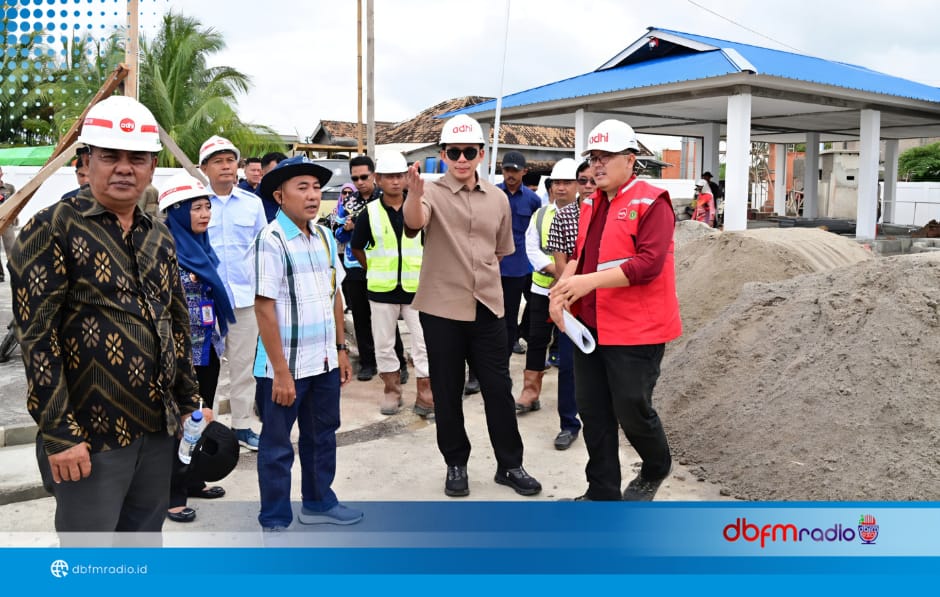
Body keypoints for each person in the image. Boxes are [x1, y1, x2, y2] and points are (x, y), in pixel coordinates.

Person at [9, 96, 207, 541]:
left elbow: (175, 322)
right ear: (87, 162)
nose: (124, 168)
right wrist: (60, 433)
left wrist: (190, 402)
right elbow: (36, 338)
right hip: (91, 437)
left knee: (142, 542)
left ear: (152, 167)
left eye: (136, 158)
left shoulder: (157, 231)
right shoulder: (51, 227)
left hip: (156, 429)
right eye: (109, 157)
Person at [403, 114, 541, 498]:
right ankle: (456, 464)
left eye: (469, 152)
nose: (461, 159)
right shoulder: (429, 193)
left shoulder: (498, 199)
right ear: (443, 155)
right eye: (453, 152)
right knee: (447, 391)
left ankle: (510, 465)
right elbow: (415, 224)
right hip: (442, 309)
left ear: (481, 155)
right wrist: (414, 194)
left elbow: (499, 250)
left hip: (487, 308)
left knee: (498, 388)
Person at [550, 119, 681, 501]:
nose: (598, 165)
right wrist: (561, 295)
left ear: (630, 158)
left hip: (638, 331)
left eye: (606, 157)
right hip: (593, 327)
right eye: (593, 158)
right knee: (594, 413)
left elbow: (648, 265)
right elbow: (581, 257)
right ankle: (601, 491)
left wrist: (587, 283)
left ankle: (656, 465)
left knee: (631, 408)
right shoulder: (590, 204)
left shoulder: (652, 202)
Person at [253, 155, 361, 530]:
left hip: (324, 361)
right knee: (277, 448)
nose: (313, 196)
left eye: (316, 188)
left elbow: (335, 296)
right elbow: (264, 308)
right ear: (280, 196)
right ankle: (275, 521)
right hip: (286, 367)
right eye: (303, 188)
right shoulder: (272, 239)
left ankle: (318, 502)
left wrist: (341, 350)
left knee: (322, 435)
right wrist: (280, 372)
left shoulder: (326, 237)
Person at [159, 173, 238, 523]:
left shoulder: (202, 250)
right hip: (178, 358)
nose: (205, 214)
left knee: (200, 420)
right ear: (176, 212)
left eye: (207, 207)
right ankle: (171, 494)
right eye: (196, 208)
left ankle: (192, 479)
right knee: (178, 425)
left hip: (205, 350)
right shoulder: (165, 252)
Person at [349, 152, 433, 418]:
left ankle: (425, 393)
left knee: (423, 343)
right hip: (381, 290)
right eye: (389, 177)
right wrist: (374, 269)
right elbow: (357, 247)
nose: (395, 182)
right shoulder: (369, 213)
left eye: (400, 176)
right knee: (384, 344)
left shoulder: (420, 207)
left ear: (407, 179)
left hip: (416, 290)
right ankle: (391, 391)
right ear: (379, 180)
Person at [200, 135, 267, 451]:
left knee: (243, 368)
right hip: (203, 302)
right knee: (203, 369)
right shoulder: (195, 204)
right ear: (205, 168)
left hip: (243, 300)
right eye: (218, 161)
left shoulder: (252, 205)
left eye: (230, 160)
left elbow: (263, 250)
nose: (226, 166)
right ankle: (202, 430)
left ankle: (242, 427)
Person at [520, 158, 583, 448]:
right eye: (556, 182)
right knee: (536, 341)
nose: (560, 187)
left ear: (577, 185)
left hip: (574, 297)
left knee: (569, 358)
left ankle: (571, 419)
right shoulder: (542, 214)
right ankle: (530, 392)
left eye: (566, 182)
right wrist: (553, 270)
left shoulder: (586, 214)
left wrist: (567, 281)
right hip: (542, 290)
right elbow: (531, 246)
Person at [339, 155, 407, 383]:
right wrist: (348, 229)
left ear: (374, 176)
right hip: (355, 266)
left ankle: (400, 364)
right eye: (355, 178)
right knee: (361, 317)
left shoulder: (386, 198)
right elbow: (336, 231)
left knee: (388, 322)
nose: (359, 182)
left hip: (386, 271)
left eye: (364, 177)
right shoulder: (348, 203)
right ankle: (369, 362)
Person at [545, 160, 592, 450]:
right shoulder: (564, 217)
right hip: (573, 302)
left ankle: (603, 421)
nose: (588, 186)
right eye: (582, 181)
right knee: (569, 368)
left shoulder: (612, 215)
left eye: (591, 181)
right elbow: (561, 264)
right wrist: (570, 295)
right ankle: (568, 424)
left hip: (608, 304)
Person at [497, 151, 541, 359]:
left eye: (515, 170)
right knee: (488, 315)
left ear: (524, 172)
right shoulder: (492, 195)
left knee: (510, 314)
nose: (510, 174)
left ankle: (505, 356)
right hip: (492, 265)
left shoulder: (533, 200)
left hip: (518, 267)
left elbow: (535, 233)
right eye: (507, 170)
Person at [258, 152, 289, 222]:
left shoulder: (293, 199)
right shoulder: (253, 203)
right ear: (261, 172)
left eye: (283, 173)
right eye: (274, 173)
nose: (279, 177)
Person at [0, 165, 16, 282]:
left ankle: (15, 272)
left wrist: (15, 217)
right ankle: (0, 274)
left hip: (7, 221)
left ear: (1, 173)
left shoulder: (9, 188)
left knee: (11, 248)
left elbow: (16, 202)